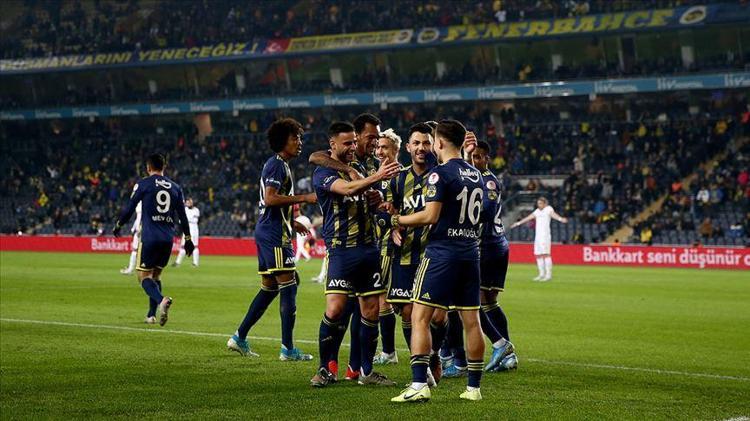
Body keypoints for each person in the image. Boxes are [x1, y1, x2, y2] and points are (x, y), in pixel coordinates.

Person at [390, 120, 487, 403]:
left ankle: (419, 384)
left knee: (419, 317)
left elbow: (430, 216)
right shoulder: (477, 174)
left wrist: (396, 220)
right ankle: (473, 388)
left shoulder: (439, 174)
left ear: (439, 142)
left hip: (442, 253)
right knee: (472, 321)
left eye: (432, 140)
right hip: (470, 253)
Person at [309, 121, 400, 388]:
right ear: (333, 144)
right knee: (335, 309)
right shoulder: (323, 172)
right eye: (346, 143)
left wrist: (377, 201)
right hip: (341, 249)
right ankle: (324, 369)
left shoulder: (361, 167)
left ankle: (366, 371)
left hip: (368, 247)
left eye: (353, 142)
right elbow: (347, 189)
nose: (352, 147)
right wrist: (375, 178)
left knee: (371, 311)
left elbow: (366, 196)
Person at [226, 118, 317, 361]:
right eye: (295, 138)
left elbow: (271, 204)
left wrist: (292, 222)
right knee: (290, 285)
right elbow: (270, 199)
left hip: (271, 230)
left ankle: (239, 337)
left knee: (270, 288)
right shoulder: (277, 165)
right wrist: (304, 198)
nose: (300, 142)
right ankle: (288, 349)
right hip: (274, 236)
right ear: (282, 141)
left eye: (300, 138)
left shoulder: (280, 165)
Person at [443, 140, 517, 378]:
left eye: (479, 157)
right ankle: (506, 351)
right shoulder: (472, 177)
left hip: (488, 246)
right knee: (488, 302)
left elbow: (485, 212)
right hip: (487, 246)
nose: (475, 161)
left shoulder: (488, 181)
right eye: (472, 156)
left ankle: (495, 347)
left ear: (487, 159)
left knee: (467, 303)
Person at [113, 153, 193, 326]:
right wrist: (188, 239)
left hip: (149, 237)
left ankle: (161, 300)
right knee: (155, 276)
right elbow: (183, 217)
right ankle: (151, 315)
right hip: (167, 239)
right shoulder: (176, 187)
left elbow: (130, 208)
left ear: (148, 168)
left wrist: (119, 224)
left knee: (143, 277)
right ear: (164, 167)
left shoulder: (143, 183)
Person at [372, 128, 402, 366]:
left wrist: (393, 222)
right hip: (376, 242)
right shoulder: (375, 175)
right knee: (383, 298)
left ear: (396, 150)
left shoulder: (401, 176)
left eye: (385, 148)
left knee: (385, 298)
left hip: (391, 245)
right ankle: (389, 351)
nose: (380, 152)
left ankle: (390, 352)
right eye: (378, 147)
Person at [510, 197, 568, 281]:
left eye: (540, 203)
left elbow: (553, 215)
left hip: (545, 236)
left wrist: (561, 219)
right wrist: (518, 223)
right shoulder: (537, 211)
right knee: (538, 254)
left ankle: (548, 275)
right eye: (538, 203)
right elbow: (528, 217)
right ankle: (541, 274)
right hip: (538, 237)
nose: (539, 205)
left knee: (546, 254)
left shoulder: (548, 209)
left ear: (545, 204)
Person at [174, 198, 200, 267]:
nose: (188, 204)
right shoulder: (185, 209)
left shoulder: (196, 210)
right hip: (186, 229)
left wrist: (185, 219)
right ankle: (177, 262)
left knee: (195, 246)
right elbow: (180, 220)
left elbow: (195, 220)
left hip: (194, 230)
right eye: (187, 203)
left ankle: (195, 263)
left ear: (192, 203)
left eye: (189, 202)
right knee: (183, 246)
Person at [120, 202, 142, 276]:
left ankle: (130, 269)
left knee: (135, 250)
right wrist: (133, 228)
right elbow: (138, 218)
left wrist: (138, 228)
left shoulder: (141, 205)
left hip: (140, 230)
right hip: (144, 229)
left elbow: (141, 218)